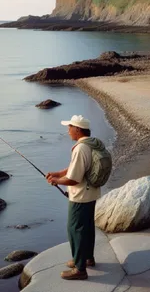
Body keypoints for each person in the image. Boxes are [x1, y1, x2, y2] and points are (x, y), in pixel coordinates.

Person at [46, 115, 101, 280]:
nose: (68, 130)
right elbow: (75, 167)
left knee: (75, 230)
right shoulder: (92, 144)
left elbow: (74, 179)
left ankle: (80, 269)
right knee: (87, 227)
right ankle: (88, 258)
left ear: (77, 129)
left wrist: (57, 181)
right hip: (92, 193)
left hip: (80, 196)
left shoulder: (80, 148)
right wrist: (58, 173)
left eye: (69, 127)